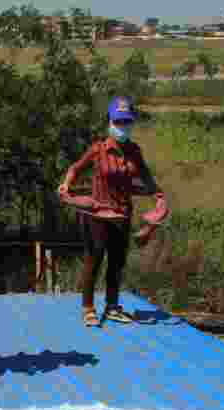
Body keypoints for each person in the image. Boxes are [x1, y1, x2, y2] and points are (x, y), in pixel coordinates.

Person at [58, 95, 162, 327]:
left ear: (131, 122)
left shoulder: (135, 151)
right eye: (118, 122)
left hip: (122, 215)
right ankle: (88, 307)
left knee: (117, 262)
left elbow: (146, 178)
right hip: (98, 214)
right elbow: (75, 168)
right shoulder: (98, 150)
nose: (122, 127)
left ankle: (112, 306)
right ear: (110, 122)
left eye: (126, 122)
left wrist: (157, 197)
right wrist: (67, 184)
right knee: (94, 259)